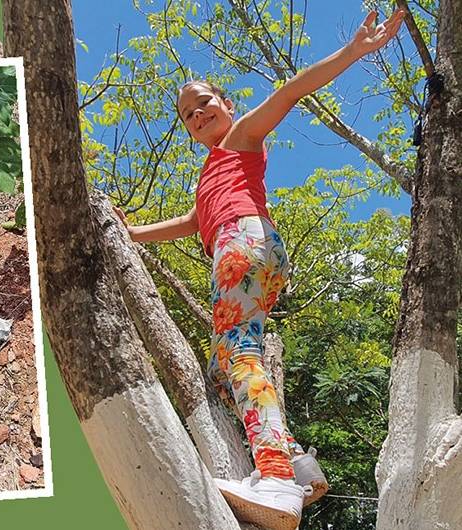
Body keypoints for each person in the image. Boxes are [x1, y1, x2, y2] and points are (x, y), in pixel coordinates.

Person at [115, 9, 405, 530]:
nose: (197, 113)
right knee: (223, 368)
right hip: (250, 251)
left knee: (238, 355)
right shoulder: (213, 172)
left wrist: (353, 52)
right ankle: (296, 462)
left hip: (243, 243)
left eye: (204, 102)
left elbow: (290, 93)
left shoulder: (241, 137)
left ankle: (272, 474)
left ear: (227, 105)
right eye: (187, 113)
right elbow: (190, 221)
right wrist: (133, 233)